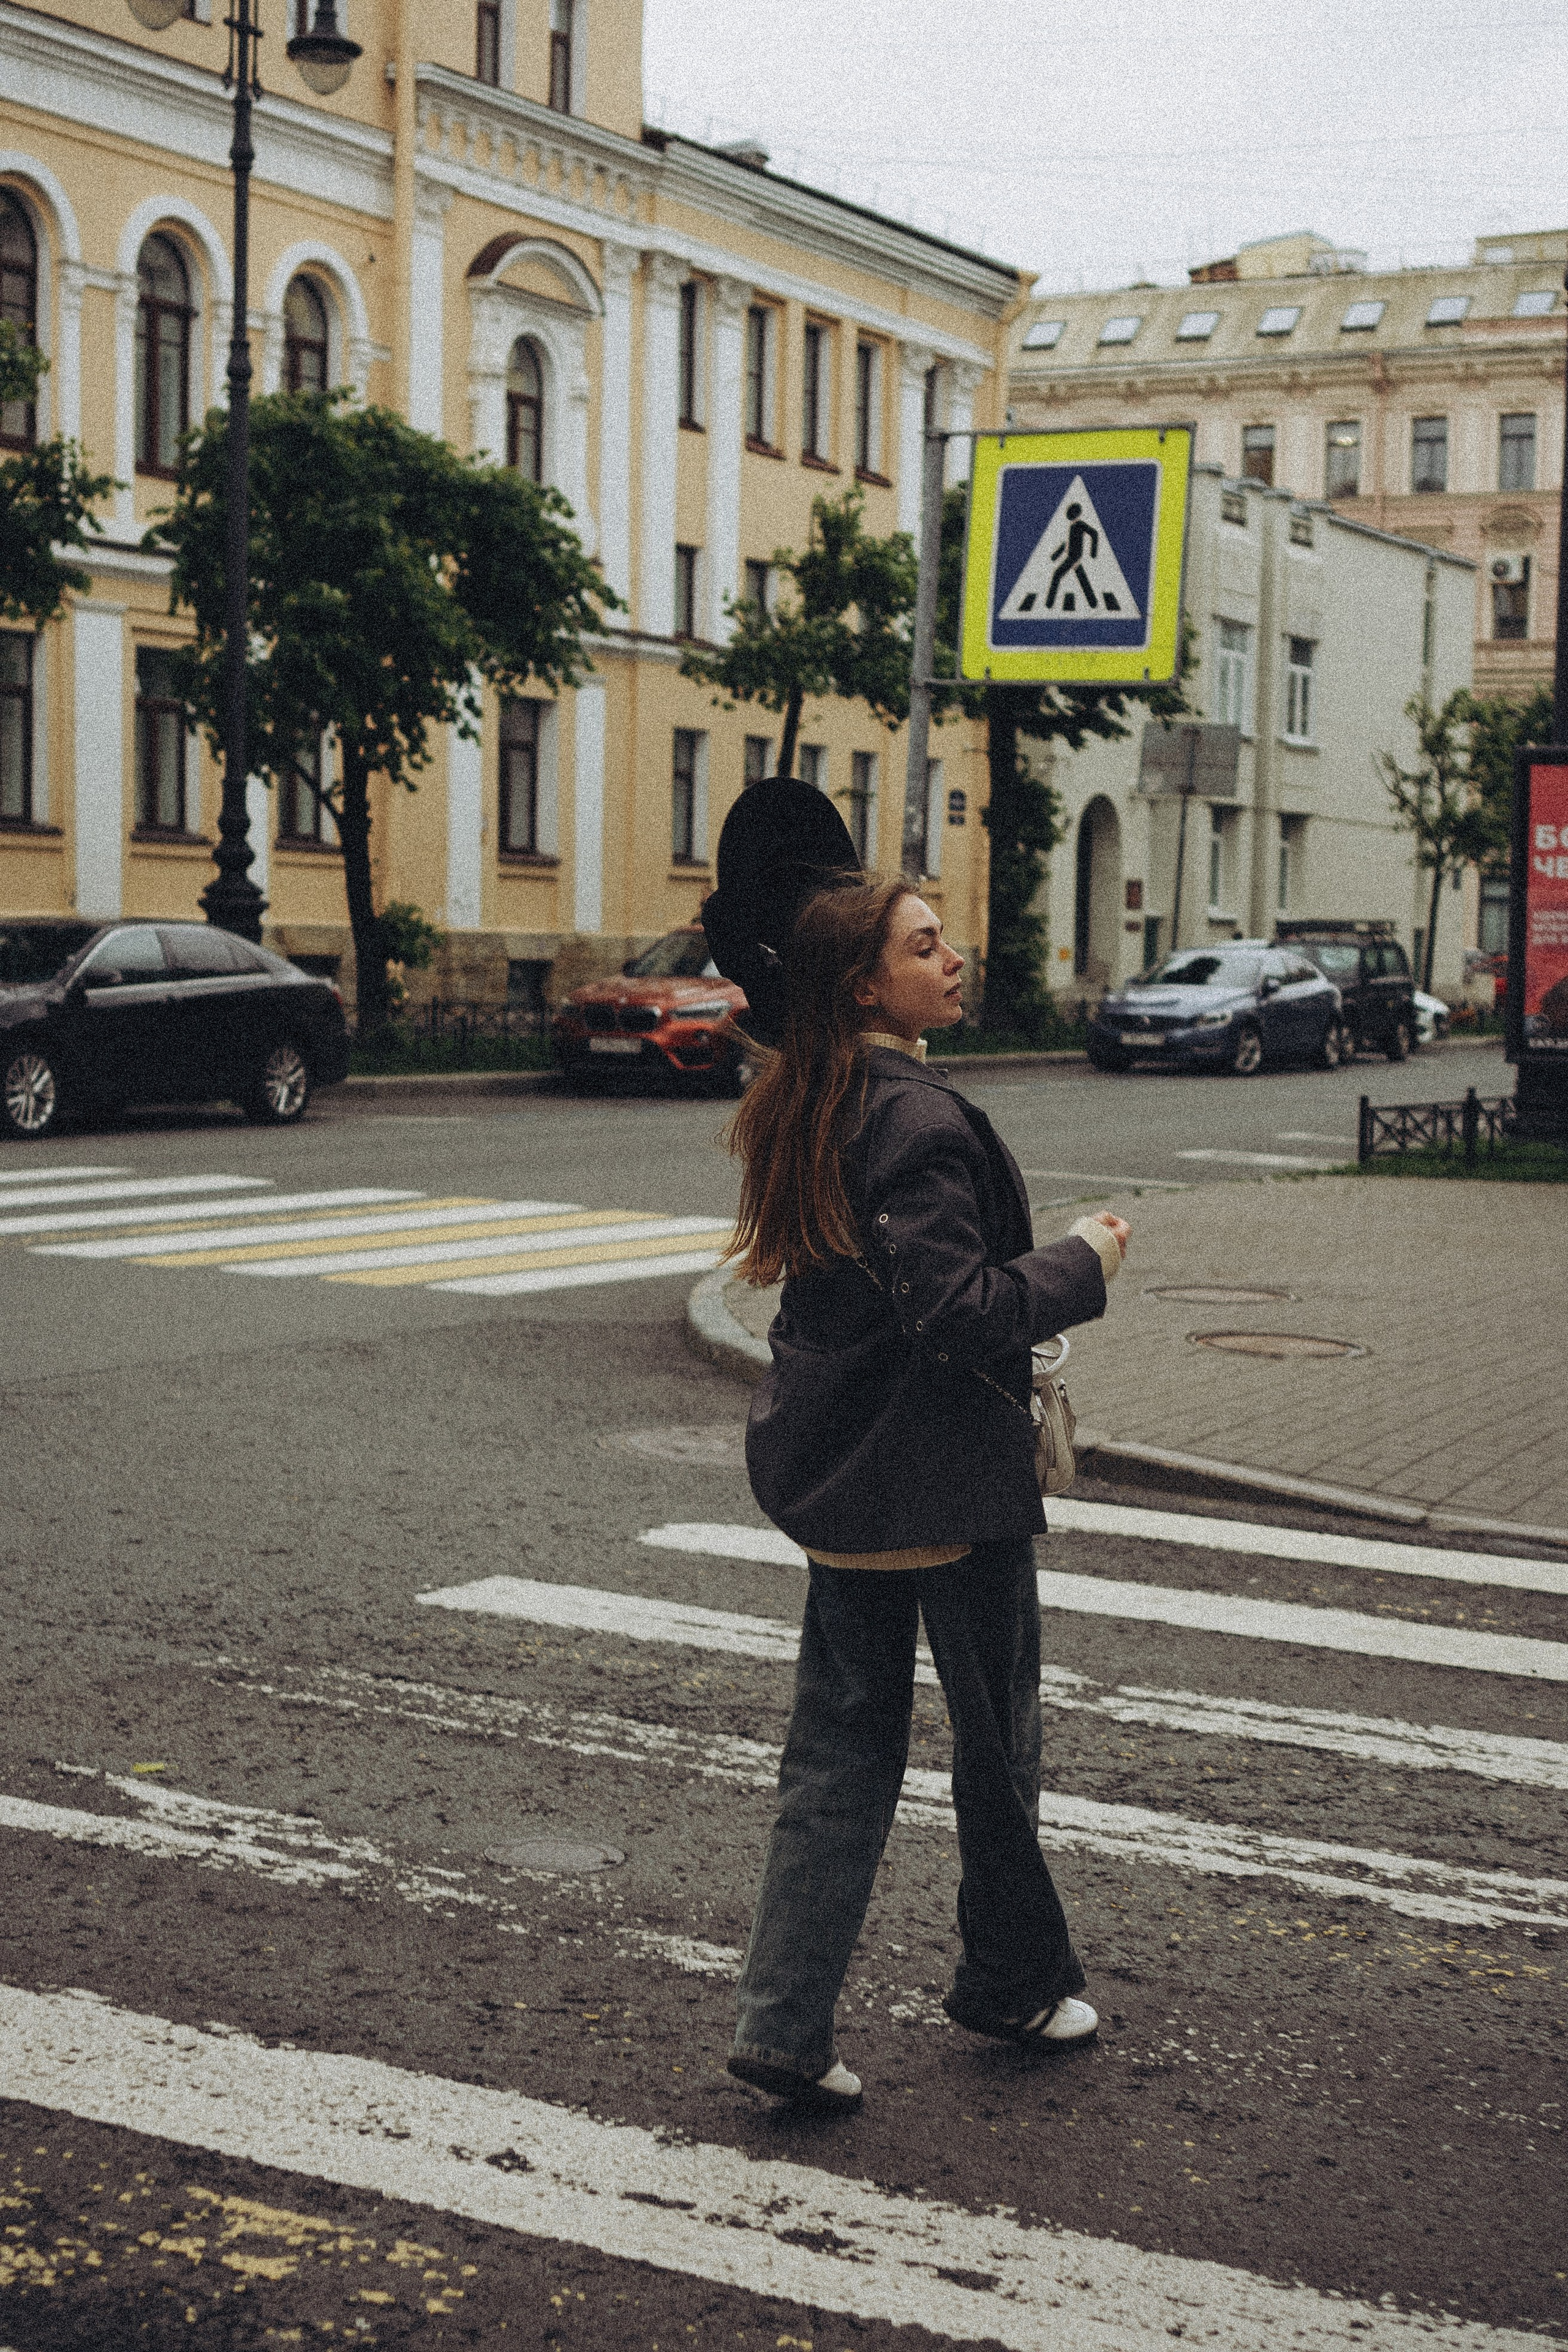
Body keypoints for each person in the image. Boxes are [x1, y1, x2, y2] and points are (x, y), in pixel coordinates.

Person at [721, 877, 1129, 2115]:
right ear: (864, 986)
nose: (952, 960)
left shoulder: (808, 1095)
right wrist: (1082, 1261)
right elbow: (954, 1313)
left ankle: (782, 2025)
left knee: (837, 1755)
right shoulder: (910, 1116)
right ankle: (1010, 1981)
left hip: (843, 1477)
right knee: (995, 1746)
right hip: (943, 1484)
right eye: (923, 945)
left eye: (946, 938)